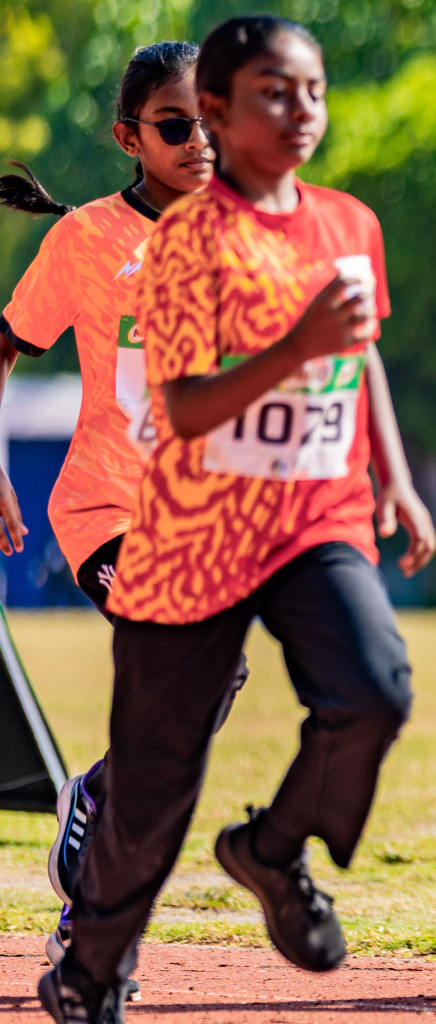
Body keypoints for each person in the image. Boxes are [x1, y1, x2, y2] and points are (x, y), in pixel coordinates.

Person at [37, 16, 434, 1023]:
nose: (297, 110)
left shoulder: (349, 224)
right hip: (191, 533)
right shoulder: (181, 246)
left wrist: (394, 475)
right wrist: (298, 342)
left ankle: (271, 847)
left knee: (377, 690)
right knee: (155, 782)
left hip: (310, 519)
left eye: (311, 91)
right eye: (270, 92)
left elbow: (364, 349)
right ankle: (89, 967)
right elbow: (181, 408)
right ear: (213, 111)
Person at [0, 44, 221, 991]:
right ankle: (98, 922)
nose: (199, 141)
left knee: (200, 699)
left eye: (213, 120)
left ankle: (95, 796)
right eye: (176, 125)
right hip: (106, 508)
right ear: (131, 138)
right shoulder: (86, 239)